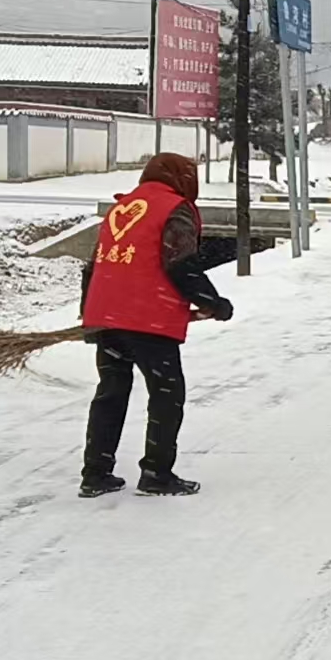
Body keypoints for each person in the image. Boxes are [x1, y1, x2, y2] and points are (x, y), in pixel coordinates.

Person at [79, 153, 233, 497]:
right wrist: (213, 302)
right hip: (147, 317)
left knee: (111, 394)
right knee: (166, 394)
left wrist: (89, 313)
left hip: (107, 316)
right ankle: (156, 474)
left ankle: (95, 474)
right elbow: (180, 264)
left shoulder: (122, 207)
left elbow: (94, 264)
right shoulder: (174, 208)